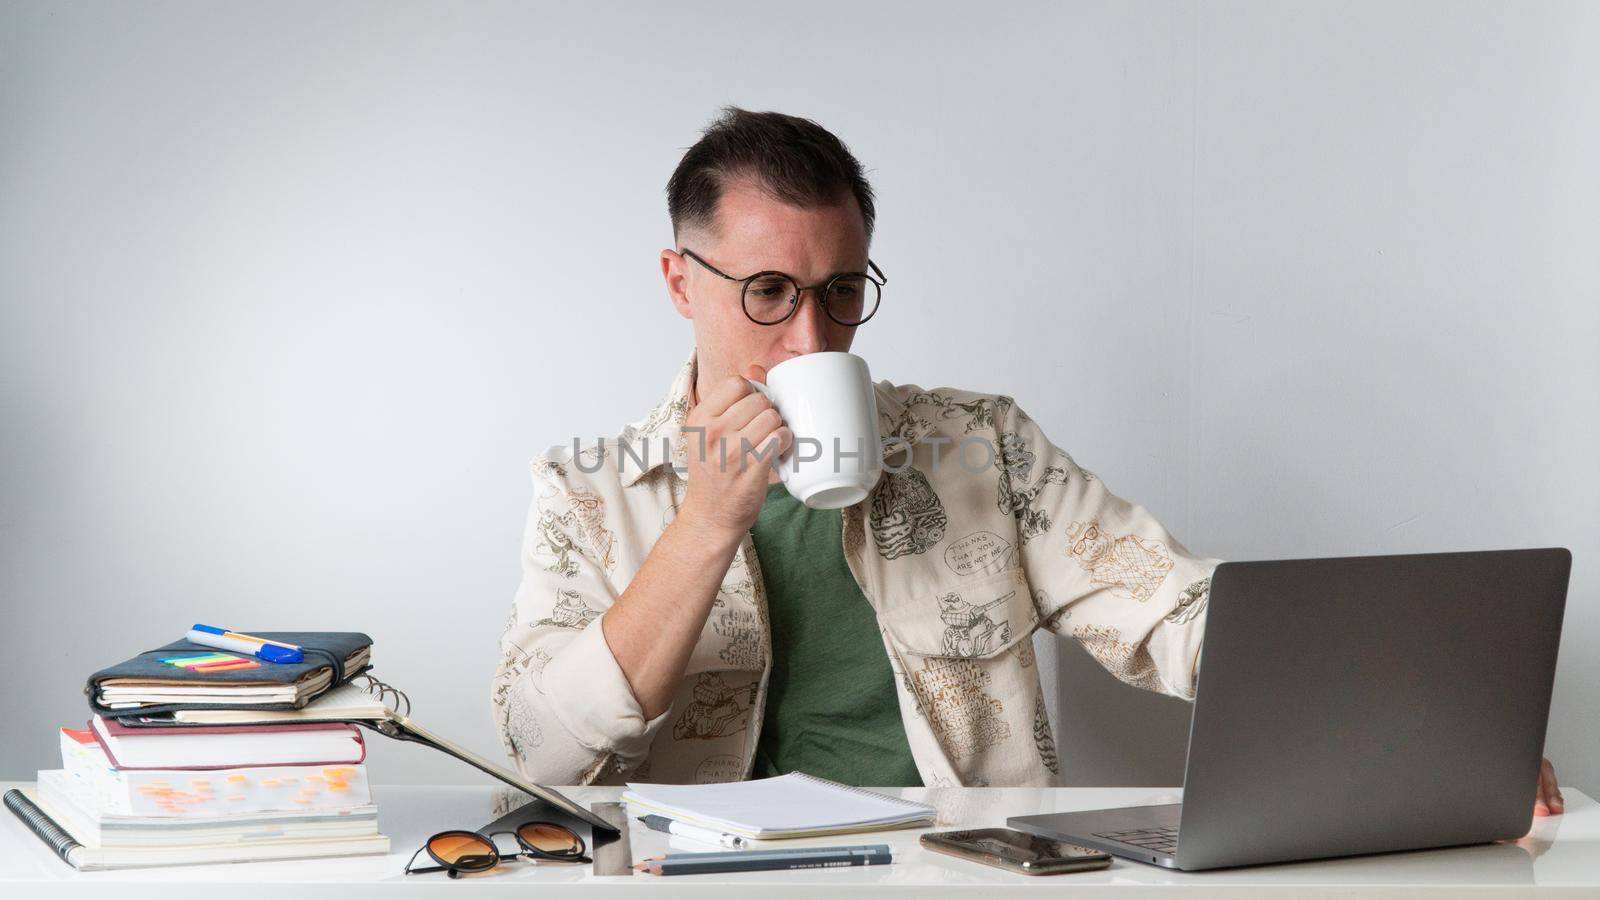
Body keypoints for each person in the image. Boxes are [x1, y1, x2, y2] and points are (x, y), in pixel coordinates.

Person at [490, 107, 1564, 814]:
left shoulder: (980, 446)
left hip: (960, 874)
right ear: (683, 282)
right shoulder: (585, 487)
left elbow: (1176, 614)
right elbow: (541, 751)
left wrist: (1429, 737)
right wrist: (704, 526)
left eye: (841, 293)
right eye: (767, 292)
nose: (811, 340)